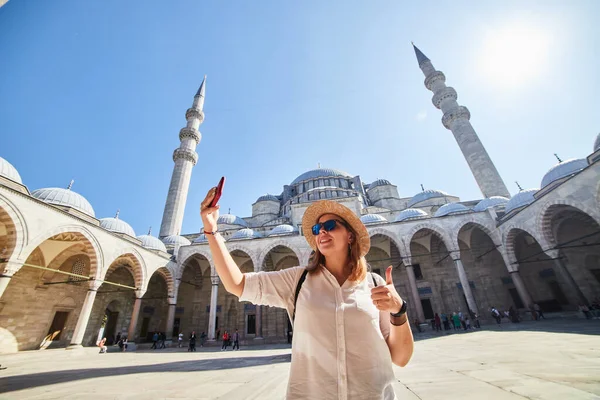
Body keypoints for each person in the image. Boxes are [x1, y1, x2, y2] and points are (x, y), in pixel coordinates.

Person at [200, 191, 414, 399]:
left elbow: (401, 358)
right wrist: (211, 231)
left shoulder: (374, 284)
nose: (322, 231)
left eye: (330, 226)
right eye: (316, 228)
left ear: (350, 235)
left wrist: (399, 310)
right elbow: (236, 284)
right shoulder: (297, 281)